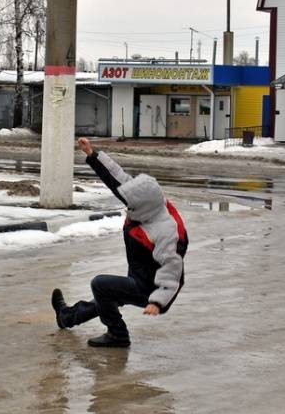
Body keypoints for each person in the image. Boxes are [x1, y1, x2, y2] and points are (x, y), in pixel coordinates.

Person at [51, 138, 188, 348]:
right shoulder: (148, 203)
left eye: (130, 205)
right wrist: (92, 155)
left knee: (101, 285)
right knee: (107, 295)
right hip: (142, 275)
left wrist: (157, 301)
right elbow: (120, 181)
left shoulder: (166, 230)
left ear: (142, 207)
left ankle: (118, 334)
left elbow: (173, 269)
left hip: (153, 288)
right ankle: (67, 317)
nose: (127, 207)